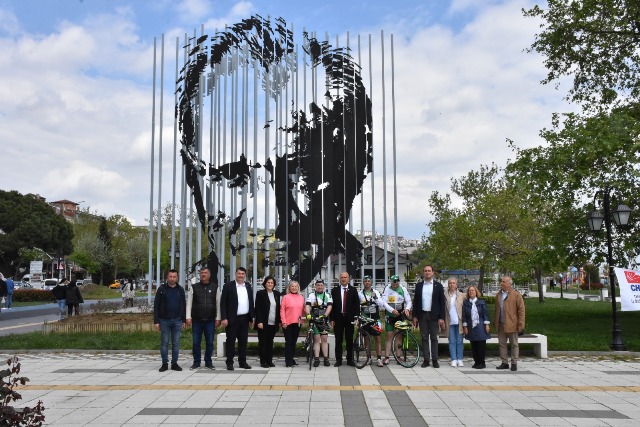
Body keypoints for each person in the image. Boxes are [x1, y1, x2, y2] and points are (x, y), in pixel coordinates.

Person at [220, 266, 254, 370]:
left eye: (242, 274)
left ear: (245, 275)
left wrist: (252, 317)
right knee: (230, 341)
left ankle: (242, 362)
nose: (240, 276)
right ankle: (229, 362)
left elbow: (251, 302)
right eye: (239, 273)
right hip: (232, 319)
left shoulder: (248, 286)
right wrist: (224, 318)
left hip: (244, 318)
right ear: (235, 274)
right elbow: (223, 303)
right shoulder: (228, 286)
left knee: (243, 341)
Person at [412, 265, 446, 368]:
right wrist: (414, 316)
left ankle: (435, 359)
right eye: (425, 271)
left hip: (434, 316)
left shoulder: (438, 286)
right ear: (423, 273)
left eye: (429, 271)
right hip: (422, 315)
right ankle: (426, 359)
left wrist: (441, 317)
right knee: (424, 337)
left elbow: (442, 303)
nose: (427, 272)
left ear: (432, 273)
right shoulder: (418, 286)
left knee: (434, 338)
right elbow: (416, 302)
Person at [154, 269, 186, 372]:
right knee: (165, 342)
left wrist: (184, 320)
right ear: (167, 277)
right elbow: (156, 305)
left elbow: (183, 305)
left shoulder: (180, 290)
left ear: (177, 278)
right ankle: (164, 363)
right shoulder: (161, 289)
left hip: (177, 320)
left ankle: (174, 363)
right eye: (170, 276)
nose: (172, 278)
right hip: (164, 320)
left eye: (174, 277)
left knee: (176, 343)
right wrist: (156, 321)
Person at [186, 267, 219, 370]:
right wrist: (188, 317)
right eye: (201, 273)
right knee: (196, 342)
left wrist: (218, 318)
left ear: (209, 275)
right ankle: (196, 362)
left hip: (210, 320)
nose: (203, 275)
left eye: (205, 273)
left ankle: (208, 362)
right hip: (197, 320)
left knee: (210, 342)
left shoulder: (215, 287)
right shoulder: (194, 287)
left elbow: (218, 304)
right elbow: (189, 303)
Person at [494, 276, 526, 371]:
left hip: (512, 324)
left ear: (509, 283)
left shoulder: (516, 295)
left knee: (514, 344)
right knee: (502, 344)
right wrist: (495, 322)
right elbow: (496, 310)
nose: (501, 283)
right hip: (501, 324)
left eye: (503, 282)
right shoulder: (499, 295)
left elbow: (521, 310)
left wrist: (521, 324)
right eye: (501, 281)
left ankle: (514, 362)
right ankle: (504, 362)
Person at [330, 272, 360, 367]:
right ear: (339, 279)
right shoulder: (334, 290)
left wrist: (356, 317)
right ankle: (338, 359)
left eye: (345, 277)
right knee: (338, 339)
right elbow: (332, 305)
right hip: (338, 318)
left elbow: (357, 305)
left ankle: (350, 359)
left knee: (349, 339)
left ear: (348, 279)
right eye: (342, 277)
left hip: (350, 318)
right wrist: (331, 319)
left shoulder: (353, 290)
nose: (343, 279)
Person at [380, 275, 412, 365]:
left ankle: (398, 357)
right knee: (389, 336)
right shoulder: (387, 288)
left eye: (396, 284)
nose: (394, 285)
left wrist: (407, 309)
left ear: (399, 282)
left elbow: (409, 301)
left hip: (399, 316)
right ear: (391, 282)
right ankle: (386, 357)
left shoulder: (403, 288)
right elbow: (383, 302)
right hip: (390, 316)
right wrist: (391, 310)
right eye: (393, 284)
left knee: (399, 336)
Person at [255, 275, 282, 368]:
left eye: (272, 283)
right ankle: (263, 362)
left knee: (270, 342)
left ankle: (269, 360)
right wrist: (259, 321)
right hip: (263, 323)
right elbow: (257, 308)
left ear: (274, 284)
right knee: (263, 342)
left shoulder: (277, 294)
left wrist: (279, 321)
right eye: (268, 282)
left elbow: (279, 309)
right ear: (265, 283)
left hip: (273, 323)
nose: (270, 284)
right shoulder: (260, 293)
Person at [305, 279, 333, 367]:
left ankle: (326, 358)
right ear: (315, 286)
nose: (320, 287)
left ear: (323, 286)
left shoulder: (328, 295)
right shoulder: (311, 295)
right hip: (314, 319)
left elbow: (329, 306)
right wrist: (308, 314)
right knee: (316, 339)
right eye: (318, 285)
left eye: (321, 285)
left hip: (324, 319)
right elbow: (307, 305)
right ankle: (316, 359)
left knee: (324, 339)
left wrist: (325, 315)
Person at [462, 286, 491, 369]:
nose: (471, 292)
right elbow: (464, 316)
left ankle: (482, 362)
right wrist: (465, 326)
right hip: (470, 325)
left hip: (481, 325)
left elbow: (486, 314)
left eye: (473, 290)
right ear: (468, 292)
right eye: (470, 290)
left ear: (476, 292)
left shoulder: (481, 302)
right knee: (473, 344)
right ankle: (476, 362)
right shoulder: (466, 303)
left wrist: (487, 324)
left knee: (481, 345)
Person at [358, 275, 384, 367]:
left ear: (371, 282)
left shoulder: (376, 292)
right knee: (367, 339)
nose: (367, 282)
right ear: (363, 282)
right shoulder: (360, 293)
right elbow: (358, 306)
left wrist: (376, 298)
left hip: (375, 319)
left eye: (369, 281)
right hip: (365, 319)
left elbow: (382, 305)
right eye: (365, 281)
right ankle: (368, 358)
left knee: (378, 338)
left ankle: (379, 358)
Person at [280, 280, 305, 367]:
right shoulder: (285, 297)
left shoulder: (301, 297)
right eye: (292, 286)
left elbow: (303, 310)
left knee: (294, 342)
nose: (294, 288)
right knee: (289, 342)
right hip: (288, 323)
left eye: (296, 286)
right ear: (289, 288)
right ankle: (288, 361)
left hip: (298, 323)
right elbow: (282, 310)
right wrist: (283, 322)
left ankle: (291, 358)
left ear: (298, 288)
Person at [445, 277, 465, 367]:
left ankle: (460, 359)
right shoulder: (444, 295)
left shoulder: (461, 295)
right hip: (449, 322)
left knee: (460, 341)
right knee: (452, 341)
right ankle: (454, 359)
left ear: (456, 285)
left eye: (453, 283)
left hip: (459, 322)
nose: (452, 284)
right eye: (450, 283)